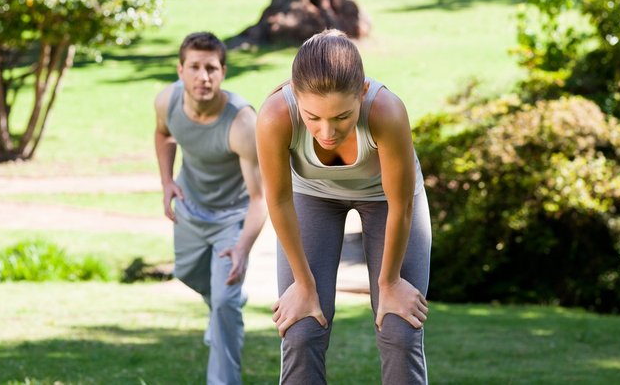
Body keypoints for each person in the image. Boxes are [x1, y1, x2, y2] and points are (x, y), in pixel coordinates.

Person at [256, 29, 432, 384]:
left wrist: (390, 281)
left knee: (399, 328)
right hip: (311, 194)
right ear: (294, 93)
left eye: (341, 117)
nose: (326, 132)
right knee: (301, 328)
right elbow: (278, 199)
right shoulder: (276, 115)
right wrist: (304, 285)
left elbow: (400, 204)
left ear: (362, 93)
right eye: (312, 117)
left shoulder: (386, 110)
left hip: (387, 201)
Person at [154, 32, 267, 385]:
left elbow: (260, 198)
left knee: (224, 306)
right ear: (181, 70)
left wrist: (243, 249)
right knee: (186, 272)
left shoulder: (242, 122)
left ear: (223, 73)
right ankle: (224, 301)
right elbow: (163, 135)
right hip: (190, 207)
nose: (203, 77)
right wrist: (167, 181)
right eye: (195, 67)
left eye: (212, 69)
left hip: (231, 221)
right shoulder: (166, 101)